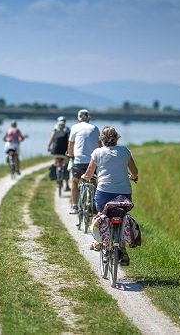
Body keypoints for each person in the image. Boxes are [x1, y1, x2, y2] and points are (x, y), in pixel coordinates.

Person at [81, 126, 138, 265]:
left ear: (102, 139)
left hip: (104, 194)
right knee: (123, 216)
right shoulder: (125, 151)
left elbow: (89, 174)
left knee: (101, 213)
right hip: (124, 194)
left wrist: (84, 177)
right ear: (117, 138)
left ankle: (98, 240)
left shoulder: (97, 152)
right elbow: (135, 171)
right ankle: (123, 250)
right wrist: (133, 176)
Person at [67, 109, 100, 214]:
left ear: (78, 118)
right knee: (93, 180)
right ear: (88, 117)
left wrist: (70, 155)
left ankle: (75, 206)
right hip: (92, 161)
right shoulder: (95, 128)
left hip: (79, 161)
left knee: (75, 181)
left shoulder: (74, 127)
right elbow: (100, 145)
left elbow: (71, 144)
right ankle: (94, 204)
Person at [47, 116, 70, 191]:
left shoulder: (55, 130)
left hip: (55, 152)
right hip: (64, 153)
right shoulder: (67, 130)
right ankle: (66, 185)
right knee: (66, 166)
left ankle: (54, 172)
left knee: (56, 162)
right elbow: (70, 142)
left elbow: (51, 140)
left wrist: (48, 147)